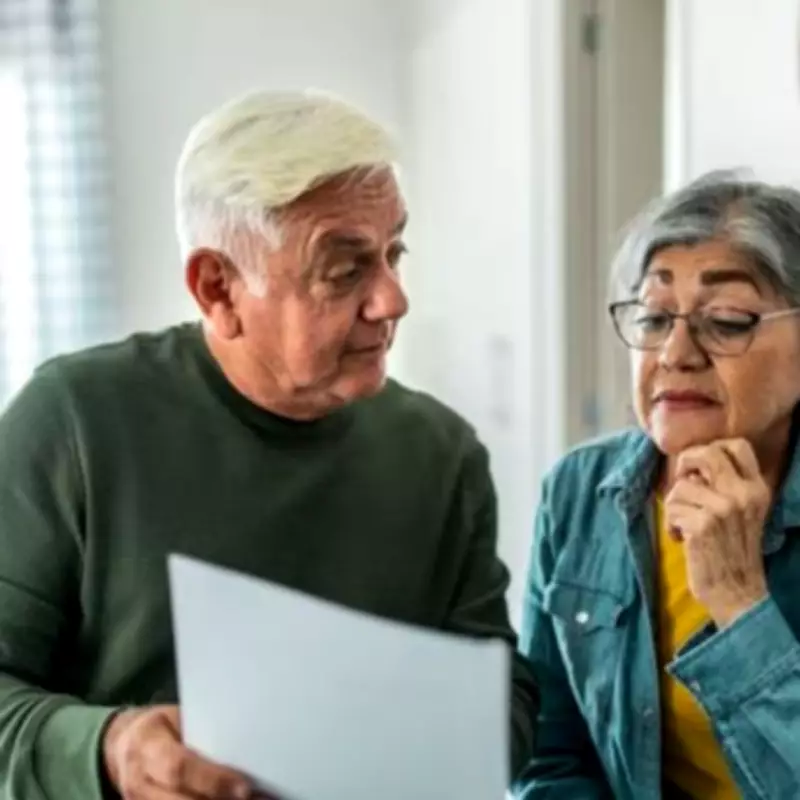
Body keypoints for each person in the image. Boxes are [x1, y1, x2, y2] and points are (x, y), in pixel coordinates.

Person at [0, 88, 538, 800]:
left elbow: (505, 706)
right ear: (218, 288)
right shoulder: (73, 421)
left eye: (393, 253)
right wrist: (111, 751)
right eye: (346, 270)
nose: (392, 300)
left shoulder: (442, 455)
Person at [514, 171, 800, 799]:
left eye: (726, 321)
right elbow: (549, 753)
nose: (675, 353)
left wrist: (740, 605)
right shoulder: (577, 489)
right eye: (652, 318)